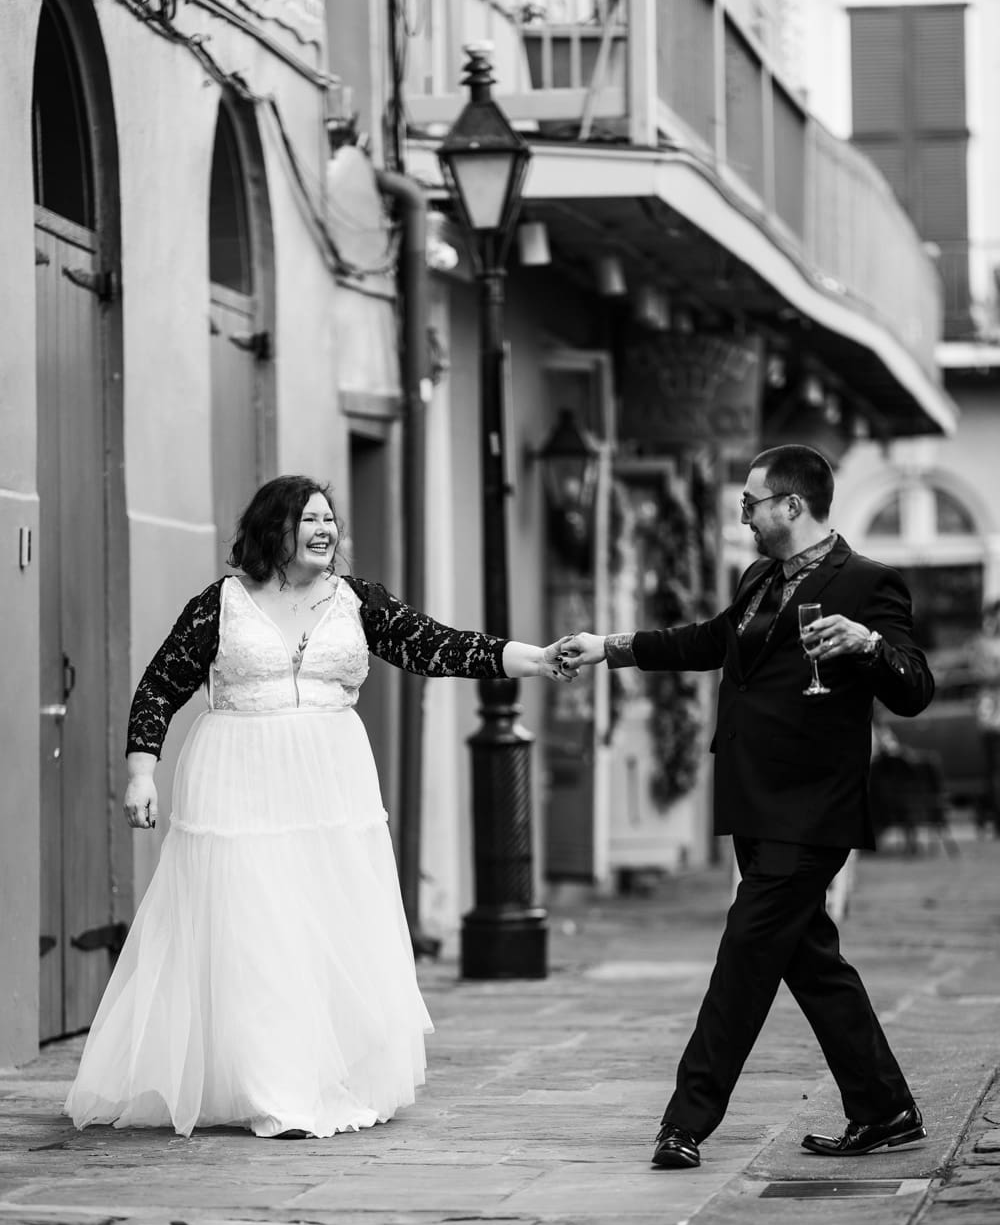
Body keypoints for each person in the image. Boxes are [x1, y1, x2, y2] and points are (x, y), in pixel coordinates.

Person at [66, 475, 576, 1141]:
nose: (326, 529)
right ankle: (268, 1086)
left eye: (330, 519)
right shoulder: (220, 604)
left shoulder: (356, 602)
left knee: (321, 925)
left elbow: (438, 645)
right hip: (236, 781)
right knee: (252, 927)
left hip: (331, 786)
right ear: (273, 527)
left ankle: (315, 1076)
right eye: (310, 517)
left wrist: (534, 659)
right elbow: (161, 685)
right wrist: (141, 774)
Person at [560, 445, 934, 1169]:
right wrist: (610, 647)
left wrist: (869, 643)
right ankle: (885, 1107)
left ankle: (686, 1122)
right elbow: (710, 640)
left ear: (792, 505)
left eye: (753, 502)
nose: (745, 513)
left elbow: (915, 687)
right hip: (754, 798)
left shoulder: (867, 583)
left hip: (814, 806)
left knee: (744, 958)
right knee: (808, 959)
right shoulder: (759, 576)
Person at [972, 598, 1000, 835]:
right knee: (993, 770)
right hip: (992, 717)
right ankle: (989, 816)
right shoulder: (982, 644)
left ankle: (984, 813)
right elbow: (982, 674)